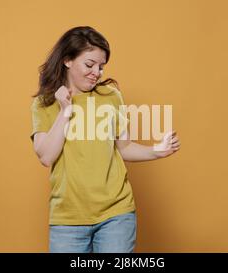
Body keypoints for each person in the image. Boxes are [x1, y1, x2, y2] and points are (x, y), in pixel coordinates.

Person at [30, 26, 180, 253]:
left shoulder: (110, 97)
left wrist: (156, 151)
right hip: (68, 219)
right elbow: (46, 156)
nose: (96, 72)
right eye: (89, 65)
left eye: (101, 67)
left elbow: (125, 147)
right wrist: (65, 110)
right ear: (68, 60)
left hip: (116, 214)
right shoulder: (44, 104)